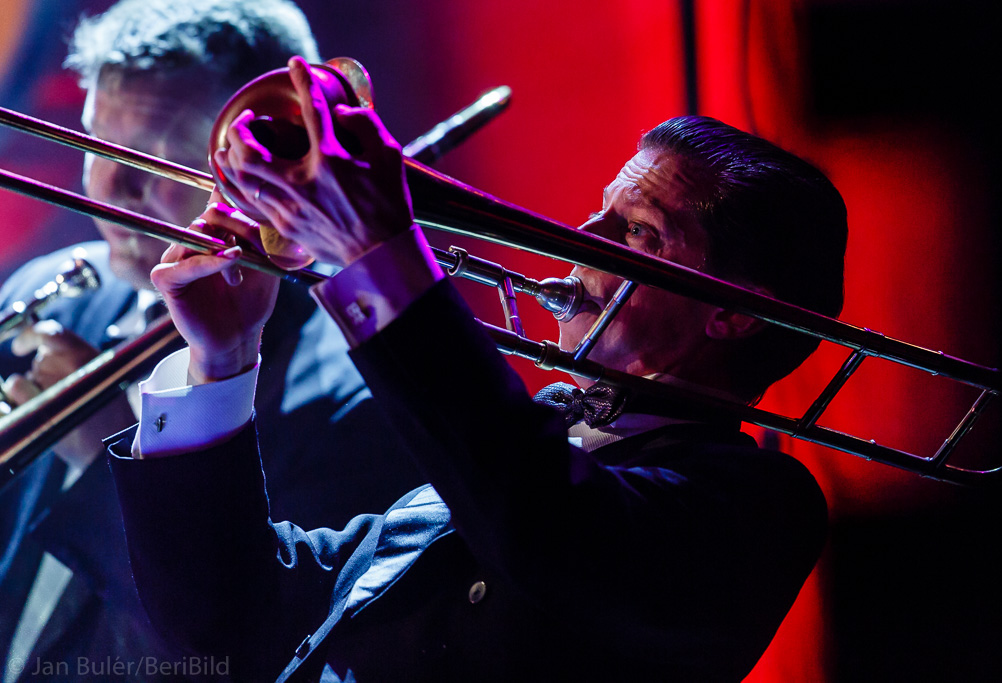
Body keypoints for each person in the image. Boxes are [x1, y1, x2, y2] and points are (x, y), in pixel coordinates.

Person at [107, 57, 846, 681]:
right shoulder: (538, 435)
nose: (583, 235)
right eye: (602, 211)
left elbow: (553, 532)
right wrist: (223, 359)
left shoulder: (761, 503)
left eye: (640, 231)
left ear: (735, 312)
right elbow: (229, 625)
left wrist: (381, 255)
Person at [0, 6, 421, 681]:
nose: (108, 190)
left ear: (264, 162)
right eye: (97, 144)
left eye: (153, 158)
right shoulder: (55, 290)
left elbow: (242, 652)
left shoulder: (351, 407)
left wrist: (107, 462)